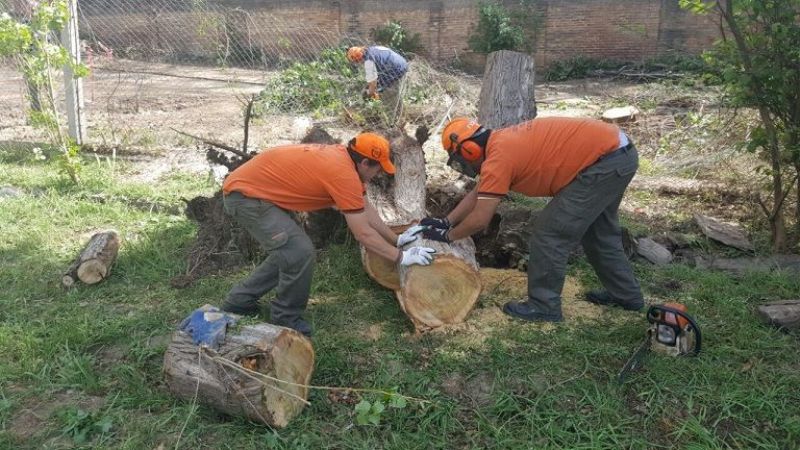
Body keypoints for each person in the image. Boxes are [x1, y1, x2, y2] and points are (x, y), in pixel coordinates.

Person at [421, 117, 644, 322]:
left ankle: (544, 305)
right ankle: (625, 295)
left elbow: (480, 219)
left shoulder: (499, 158)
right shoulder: (500, 144)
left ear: (469, 150)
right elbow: (479, 192)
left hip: (604, 161)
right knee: (599, 232)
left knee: (550, 233)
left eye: (461, 161)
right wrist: (446, 222)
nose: (465, 166)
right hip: (616, 154)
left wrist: (448, 236)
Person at [221, 133, 434, 336]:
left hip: (258, 192)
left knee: (290, 253)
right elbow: (363, 234)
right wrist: (402, 257)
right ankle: (286, 317)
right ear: (365, 163)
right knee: (299, 253)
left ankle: (239, 302)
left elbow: (365, 209)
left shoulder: (346, 161)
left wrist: (396, 239)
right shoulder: (342, 173)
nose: (378, 174)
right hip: (246, 196)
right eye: (378, 169)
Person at [346, 45, 408, 122]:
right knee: (396, 96)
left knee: (388, 95)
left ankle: (391, 124)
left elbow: (373, 85)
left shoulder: (368, 62)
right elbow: (374, 78)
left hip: (395, 70)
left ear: (358, 59)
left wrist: (368, 93)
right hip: (400, 63)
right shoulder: (371, 49)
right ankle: (401, 119)